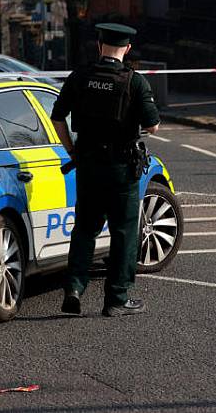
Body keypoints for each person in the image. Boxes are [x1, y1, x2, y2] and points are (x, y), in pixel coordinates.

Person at [50, 22, 160, 317]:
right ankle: (116, 298)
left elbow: (57, 117)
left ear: (99, 46)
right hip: (121, 169)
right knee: (124, 232)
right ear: (127, 49)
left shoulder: (80, 77)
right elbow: (152, 124)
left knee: (85, 229)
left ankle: (74, 288)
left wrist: (71, 149)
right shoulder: (134, 81)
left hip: (87, 165)